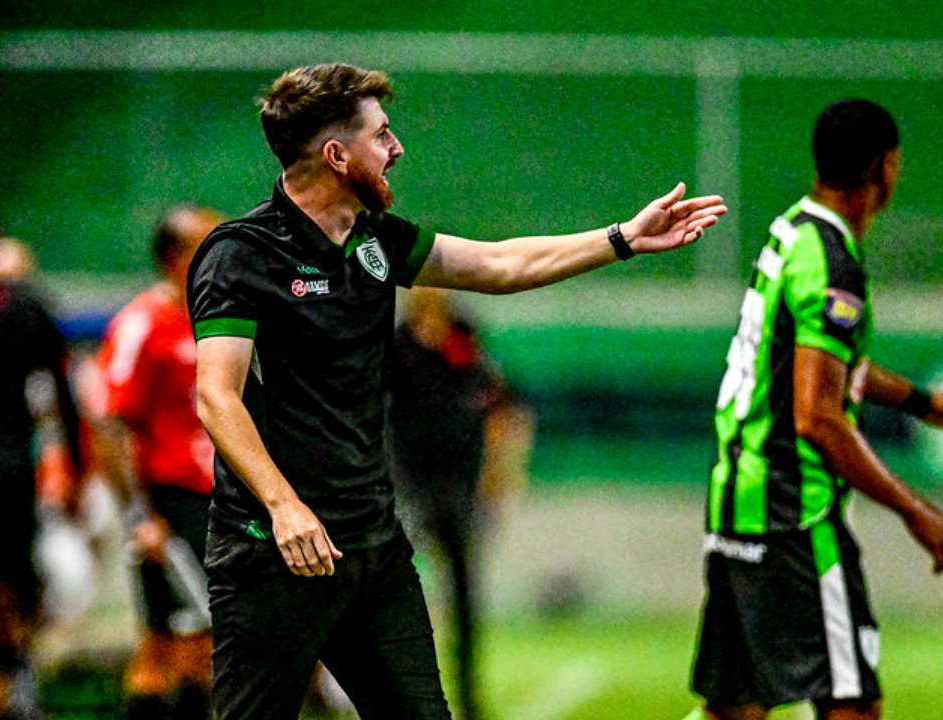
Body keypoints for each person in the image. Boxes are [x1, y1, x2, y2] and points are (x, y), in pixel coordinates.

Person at [187, 62, 725, 720]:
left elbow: (500, 264)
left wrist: (622, 239)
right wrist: (283, 505)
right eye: (381, 135)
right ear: (336, 154)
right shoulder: (240, 255)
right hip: (273, 556)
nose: (396, 149)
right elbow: (218, 397)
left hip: (372, 551)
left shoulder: (375, 239)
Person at [685, 99, 943, 720]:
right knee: (853, 704)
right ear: (885, 168)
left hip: (737, 508)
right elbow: (818, 414)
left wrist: (925, 402)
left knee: (735, 710)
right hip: (793, 519)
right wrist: (915, 510)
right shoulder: (833, 263)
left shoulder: (792, 234)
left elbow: (817, 367)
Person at [93, 205, 224, 719]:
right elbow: (110, 424)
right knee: (174, 643)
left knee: (193, 644)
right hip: (171, 499)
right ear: (175, 258)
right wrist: (139, 515)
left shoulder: (216, 320)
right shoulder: (142, 324)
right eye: (206, 246)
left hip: (215, 497)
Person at [388, 287, 532, 720]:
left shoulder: (465, 338)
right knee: (391, 594)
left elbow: (503, 407)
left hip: (459, 488)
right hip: (407, 487)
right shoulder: (396, 346)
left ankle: (469, 697)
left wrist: (501, 474)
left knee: (465, 599)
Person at [0, 193, 82, 719]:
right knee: (10, 580)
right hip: (11, 467)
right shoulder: (25, 304)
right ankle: (13, 686)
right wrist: (76, 467)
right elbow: (64, 393)